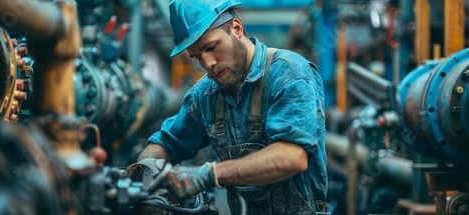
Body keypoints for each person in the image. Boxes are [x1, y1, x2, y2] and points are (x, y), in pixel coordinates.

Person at [126, 0, 328, 214]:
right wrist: (145, 171)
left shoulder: (289, 74)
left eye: (211, 47)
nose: (208, 63)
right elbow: (167, 143)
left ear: (236, 28)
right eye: (197, 57)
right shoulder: (206, 94)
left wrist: (208, 174)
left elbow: (292, 157)